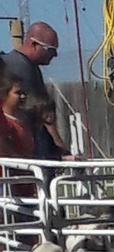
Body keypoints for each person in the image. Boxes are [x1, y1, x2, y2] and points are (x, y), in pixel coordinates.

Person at [0, 23, 65, 159]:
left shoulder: (29, 67)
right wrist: (60, 150)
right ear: (33, 44)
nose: (55, 55)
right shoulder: (20, 68)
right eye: (50, 49)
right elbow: (41, 113)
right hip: (21, 146)